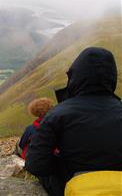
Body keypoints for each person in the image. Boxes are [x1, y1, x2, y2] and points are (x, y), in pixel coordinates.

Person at [25, 47, 122, 196]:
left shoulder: (57, 114)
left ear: (75, 76)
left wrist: (62, 167)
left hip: (74, 187)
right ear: (112, 77)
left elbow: (36, 164)